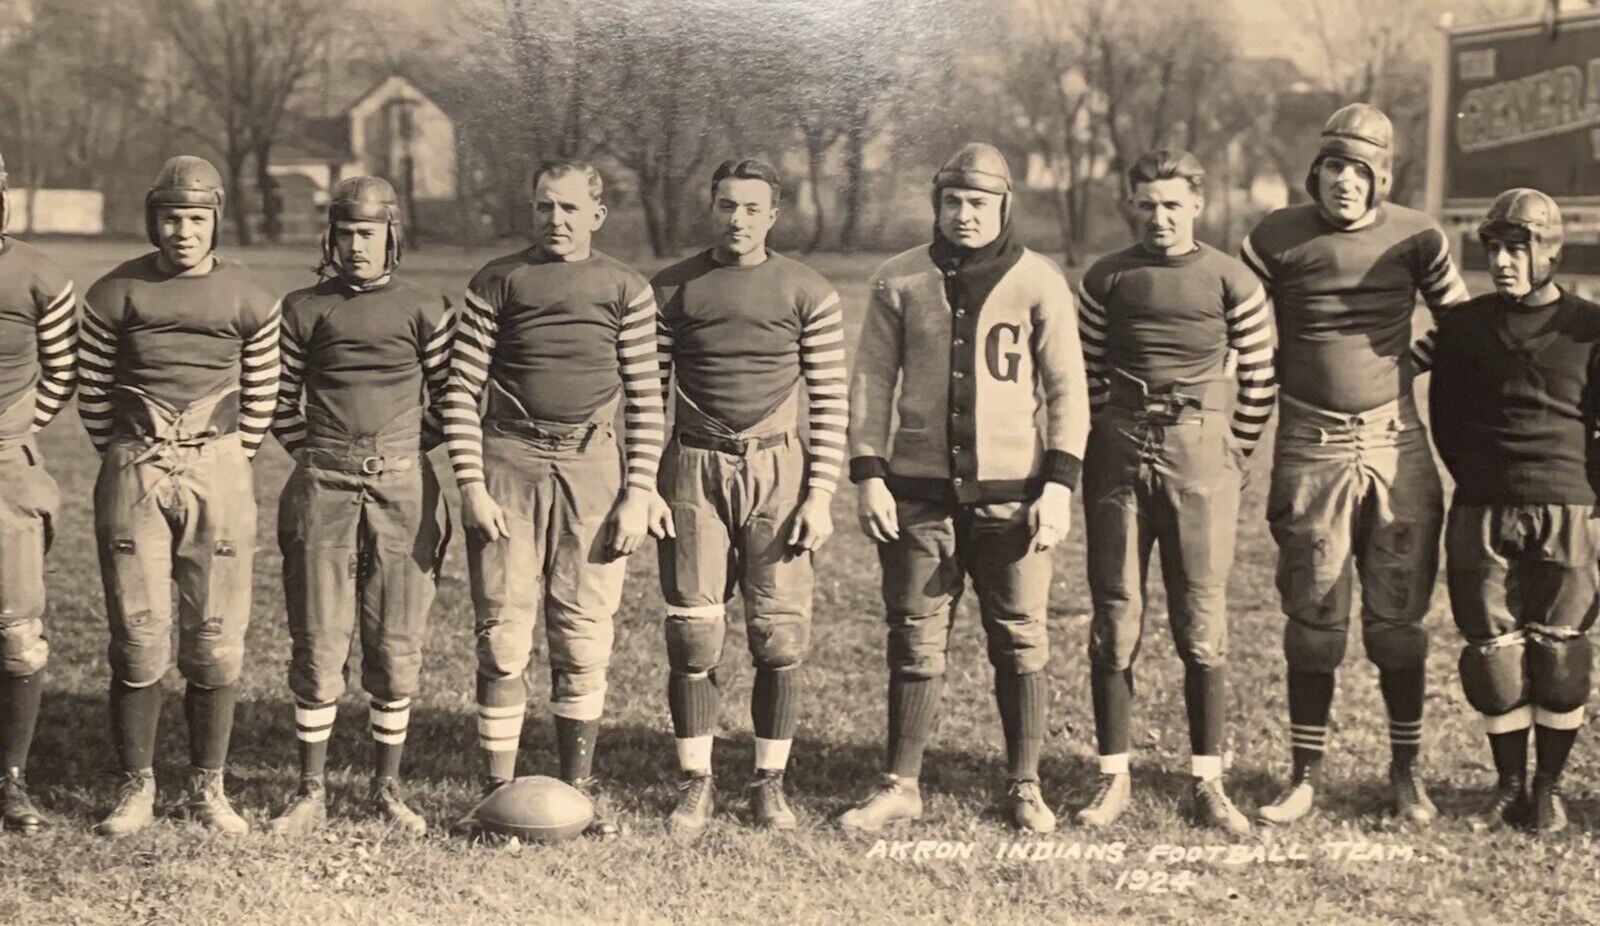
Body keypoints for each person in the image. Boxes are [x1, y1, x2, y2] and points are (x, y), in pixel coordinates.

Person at [839, 143, 1089, 834]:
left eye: (979, 202)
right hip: (919, 493)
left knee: (1020, 637)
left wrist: (1059, 485)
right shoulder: (899, 278)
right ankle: (900, 784)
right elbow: (871, 382)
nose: (965, 214)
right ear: (936, 204)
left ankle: (1025, 782)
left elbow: (1067, 390)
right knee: (914, 636)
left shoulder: (1039, 280)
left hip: (1013, 496)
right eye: (953, 201)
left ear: (1004, 205)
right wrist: (869, 475)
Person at [1240, 103, 1470, 825]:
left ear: (1382, 178)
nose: (1345, 181)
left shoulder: (1417, 234)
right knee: (1314, 616)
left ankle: (1406, 772)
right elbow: (1239, 327)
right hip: (1309, 440)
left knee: (1398, 620)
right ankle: (1305, 774)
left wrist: (1409, 364)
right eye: (1334, 165)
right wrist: (1259, 393)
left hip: (1394, 438)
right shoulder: (1273, 236)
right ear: (1316, 170)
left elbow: (1461, 322)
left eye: (1361, 170)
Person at [442, 160, 668, 837]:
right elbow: (460, 391)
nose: (556, 220)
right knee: (503, 634)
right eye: (544, 206)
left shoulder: (625, 287)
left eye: (570, 208)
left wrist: (638, 492)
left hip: (592, 466)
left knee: (584, 631)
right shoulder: (497, 280)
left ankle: (578, 791)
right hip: (508, 461)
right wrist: (472, 485)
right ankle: (494, 794)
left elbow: (646, 399)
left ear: (597, 214)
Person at [1074, 149, 1276, 834]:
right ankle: (1113, 776)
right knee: (1115, 615)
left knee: (1202, 621)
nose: (1159, 218)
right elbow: (1088, 372)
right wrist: (1115, 432)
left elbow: (1260, 378)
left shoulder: (1231, 278)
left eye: (1171, 204)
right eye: (1147, 205)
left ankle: (1207, 781)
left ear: (1197, 203)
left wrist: (1230, 449)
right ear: (1131, 206)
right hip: (1119, 449)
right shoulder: (1106, 276)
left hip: (1201, 452)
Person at [80, 156, 281, 836]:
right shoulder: (116, 291)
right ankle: (136, 785)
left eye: (196, 218)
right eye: (171, 217)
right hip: (135, 462)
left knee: (215, 638)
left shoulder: (249, 295)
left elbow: (262, 395)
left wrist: (219, 458)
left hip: (216, 464)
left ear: (215, 220)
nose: (183, 231)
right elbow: (93, 394)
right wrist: (131, 453)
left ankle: (207, 787)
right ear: (153, 220)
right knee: (138, 635)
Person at [649, 158, 847, 838]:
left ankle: (769, 781)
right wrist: (644, 484)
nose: (738, 220)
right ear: (712, 208)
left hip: (777, 467)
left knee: (778, 635)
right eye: (727, 206)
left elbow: (831, 402)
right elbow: (645, 396)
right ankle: (695, 782)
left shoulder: (807, 289)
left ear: (774, 215)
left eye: (752, 208)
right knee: (692, 633)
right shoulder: (672, 288)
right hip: (694, 465)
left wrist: (819, 495)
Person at [268, 176, 454, 834]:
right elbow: (276, 403)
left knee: (395, 641)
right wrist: (323, 455)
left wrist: (398, 454)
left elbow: (451, 401)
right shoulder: (302, 309)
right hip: (323, 486)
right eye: (344, 233)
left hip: (403, 491)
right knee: (318, 640)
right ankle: (310, 789)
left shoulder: (426, 306)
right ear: (331, 238)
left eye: (368, 233)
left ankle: (386, 786)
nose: (355, 246)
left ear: (391, 236)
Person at [1424, 189, 1597, 835]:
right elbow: (1446, 418)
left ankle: (1548, 788)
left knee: (1561, 653)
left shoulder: (1589, 327)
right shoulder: (1464, 327)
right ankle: (1509, 786)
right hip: (1484, 504)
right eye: (1494, 248)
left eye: (1517, 249)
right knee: (1492, 656)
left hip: (1569, 505)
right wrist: (1477, 481)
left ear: (1549, 251)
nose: (1502, 261)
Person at [0, 150, 79, 833]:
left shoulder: (41, 276)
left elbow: (62, 371)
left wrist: (17, 429)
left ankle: (11, 780)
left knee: (19, 633)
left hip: (6, 463)